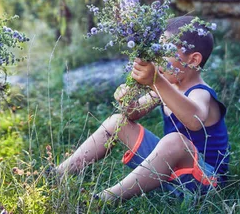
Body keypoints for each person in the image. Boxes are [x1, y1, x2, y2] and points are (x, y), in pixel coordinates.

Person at [55, 16, 229, 201]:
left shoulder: (200, 93)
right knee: (117, 122)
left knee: (175, 141)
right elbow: (134, 113)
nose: (157, 59)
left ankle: (107, 198)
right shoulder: (167, 88)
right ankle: (58, 174)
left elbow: (195, 121)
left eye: (165, 51)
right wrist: (128, 102)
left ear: (193, 60)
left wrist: (156, 81)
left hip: (204, 181)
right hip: (170, 175)